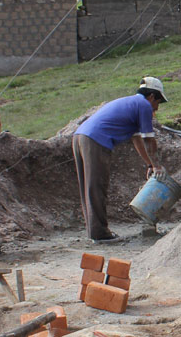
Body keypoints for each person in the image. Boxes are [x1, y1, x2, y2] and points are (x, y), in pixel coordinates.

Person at [72, 77, 168, 242]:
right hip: (96, 140)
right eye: (158, 102)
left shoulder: (131, 103)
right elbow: (148, 139)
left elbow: (137, 139)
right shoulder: (144, 105)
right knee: (97, 186)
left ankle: (95, 232)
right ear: (152, 96)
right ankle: (100, 234)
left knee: (88, 187)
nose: (157, 108)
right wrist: (158, 166)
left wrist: (149, 164)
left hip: (79, 136)